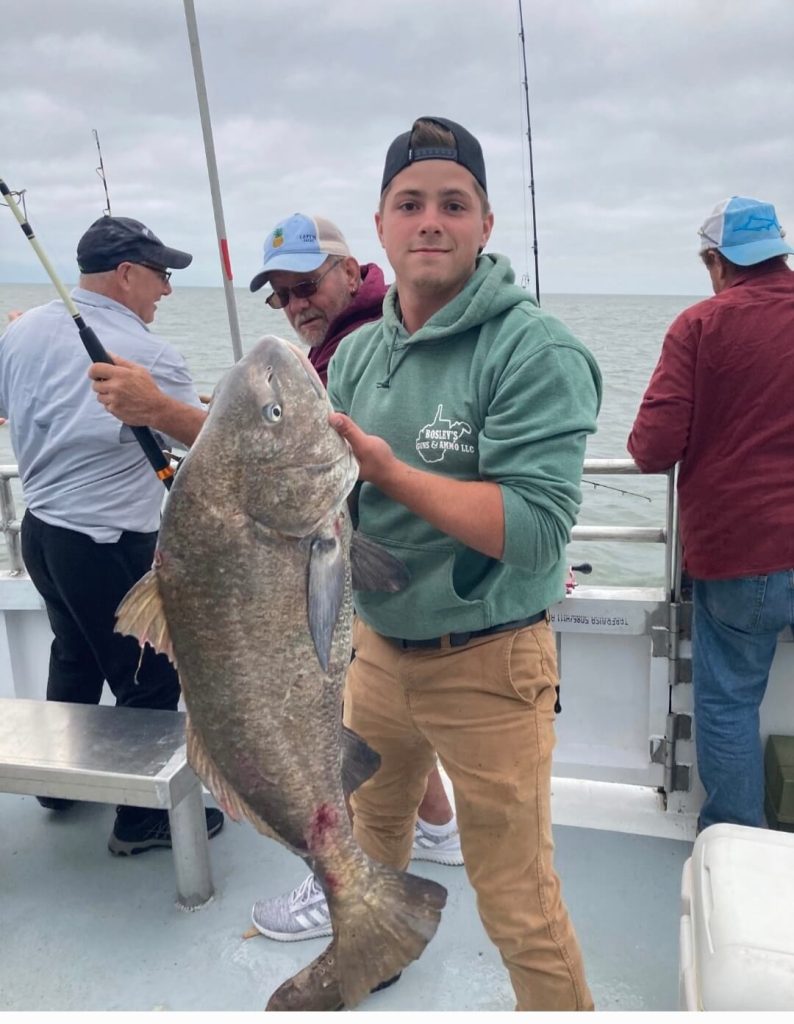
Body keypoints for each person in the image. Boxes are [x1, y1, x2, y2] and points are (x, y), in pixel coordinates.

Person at [267, 115, 601, 1012]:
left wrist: (388, 472)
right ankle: (367, 956)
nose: (430, 221)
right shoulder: (359, 353)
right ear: (378, 227)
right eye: (409, 203)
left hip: (490, 664)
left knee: (518, 901)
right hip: (376, 653)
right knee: (366, 851)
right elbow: (329, 510)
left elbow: (534, 529)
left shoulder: (534, 350)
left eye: (454, 204)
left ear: (486, 225)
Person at [251, 212, 467, 941]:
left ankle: (337, 881)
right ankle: (438, 825)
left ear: (350, 270)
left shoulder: (356, 346)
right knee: (383, 730)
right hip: (370, 579)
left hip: (370, 578)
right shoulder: (338, 344)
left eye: (307, 283)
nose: (297, 303)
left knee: (343, 730)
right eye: (281, 295)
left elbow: (309, 462)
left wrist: (163, 413)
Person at [0, 215, 223, 854]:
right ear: (126, 274)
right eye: (162, 275)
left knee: (72, 654)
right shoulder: (152, 356)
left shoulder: (23, 332)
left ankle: (58, 788)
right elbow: (210, 445)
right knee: (149, 676)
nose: (168, 291)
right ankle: (142, 820)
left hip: (40, 533)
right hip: (107, 542)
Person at [628, 196, 794, 834]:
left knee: (727, 706)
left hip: (742, 554)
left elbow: (650, 448)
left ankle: (739, 850)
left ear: (717, 263)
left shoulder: (700, 326)